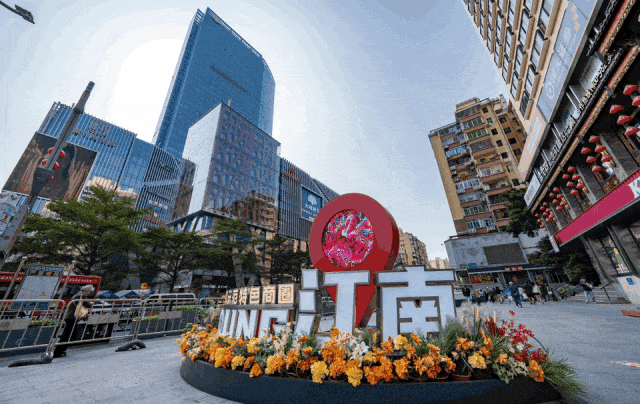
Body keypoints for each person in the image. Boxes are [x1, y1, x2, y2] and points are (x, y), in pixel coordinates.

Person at [53, 285, 94, 358]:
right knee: (68, 334)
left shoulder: (77, 295)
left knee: (69, 334)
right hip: (72, 317)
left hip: (70, 317)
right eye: (89, 291)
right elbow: (87, 305)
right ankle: (58, 352)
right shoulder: (81, 296)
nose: (89, 293)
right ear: (86, 291)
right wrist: (91, 303)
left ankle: (60, 351)